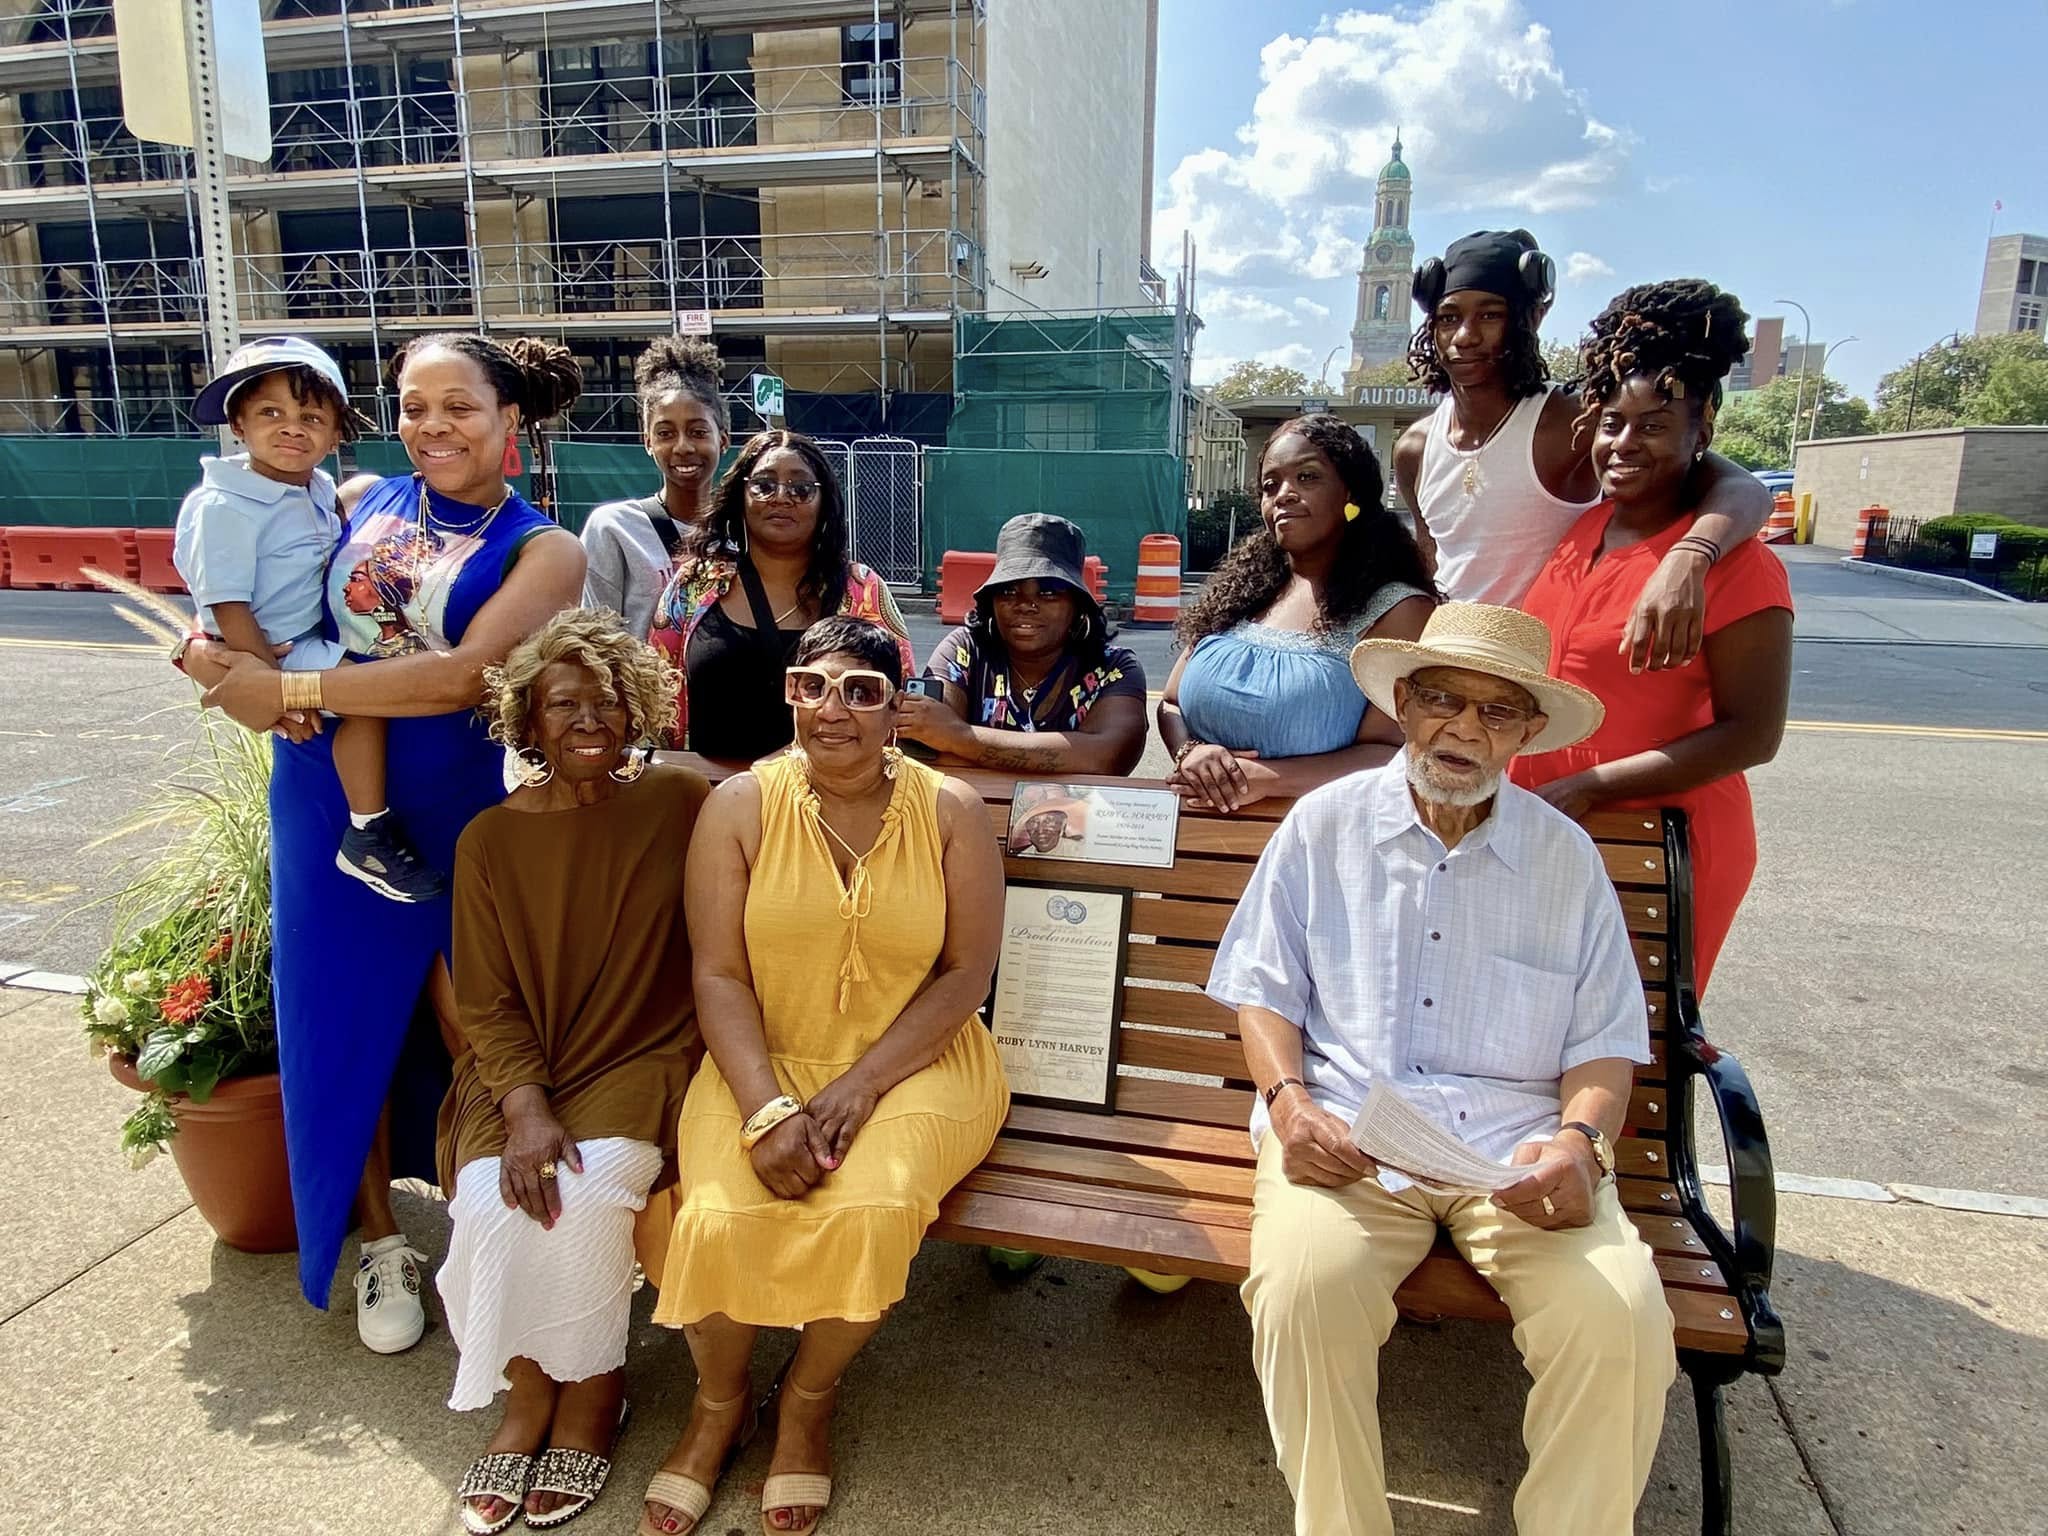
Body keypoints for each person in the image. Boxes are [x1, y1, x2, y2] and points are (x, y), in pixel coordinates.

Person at [1208, 600, 1675, 1536]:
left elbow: (1604, 1043)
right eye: (1441, 700)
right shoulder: (1324, 824)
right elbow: (1260, 988)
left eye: (1496, 711)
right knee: (1305, 1291)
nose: (1462, 729)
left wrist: (1581, 1142)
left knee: (1620, 1319)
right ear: (1404, 703)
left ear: (1528, 731)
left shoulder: (1565, 857)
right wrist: (1289, 1104)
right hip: (1348, 1139)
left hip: (1515, 1156)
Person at [180, 331, 587, 1354]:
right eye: (413, 406)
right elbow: (250, 603)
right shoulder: (355, 495)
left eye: (458, 407)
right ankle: (378, 1244)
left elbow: (464, 676)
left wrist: (292, 690)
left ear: (509, 422)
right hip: (322, 793)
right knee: (342, 1021)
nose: (433, 427)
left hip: (450, 809)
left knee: (477, 1026)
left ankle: (491, 1226)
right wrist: (212, 660)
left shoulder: (546, 547)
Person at [640, 617, 1009, 1536]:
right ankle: (719, 1405)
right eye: (812, 685)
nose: (832, 709)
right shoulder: (740, 806)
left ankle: (807, 1400)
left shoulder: (952, 811)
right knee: (715, 1214)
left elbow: (966, 976)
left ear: (897, 712)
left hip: (918, 1061)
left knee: (873, 1208)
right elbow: (717, 974)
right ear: (789, 694)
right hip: (761, 1052)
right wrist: (766, 1107)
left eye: (863, 691)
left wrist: (862, 1086)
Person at [439, 610, 708, 1534]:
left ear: (636, 712)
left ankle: (594, 1397)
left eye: (605, 703)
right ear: (530, 723)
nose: (587, 721)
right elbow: (485, 1001)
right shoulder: (489, 841)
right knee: (490, 1201)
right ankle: (525, 1401)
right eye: (563, 706)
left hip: (641, 1053)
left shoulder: (677, 802)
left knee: (587, 1199)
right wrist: (524, 1110)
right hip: (521, 1072)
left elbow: (782, 792)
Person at [1513, 280, 1794, 992]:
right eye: (1612, 422)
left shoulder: (1738, 564)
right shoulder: (1583, 530)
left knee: (1631, 1055)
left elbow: (1752, 734)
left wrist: (1589, 786)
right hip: (1551, 833)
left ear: (1702, 433)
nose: (1624, 443)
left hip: (1662, 845)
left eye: (1654, 425)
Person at [1391, 229, 1769, 668]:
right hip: (1452, 667)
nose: (1465, 336)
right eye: (1448, 318)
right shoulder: (1415, 447)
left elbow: (1744, 489)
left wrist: (1689, 558)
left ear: (1531, 317)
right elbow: (1431, 564)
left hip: (1545, 674)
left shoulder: (1572, 418)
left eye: (1490, 316)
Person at [172, 337, 439, 902]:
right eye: (271, 413)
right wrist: (270, 688)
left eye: (312, 417)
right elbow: (228, 605)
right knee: (368, 696)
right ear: (237, 424)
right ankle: (369, 829)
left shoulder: (318, 488)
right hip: (273, 644)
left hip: (306, 634)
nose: (292, 428)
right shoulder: (224, 505)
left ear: (336, 433)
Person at [1159, 413, 1434, 814]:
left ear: (1350, 495)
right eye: (1271, 486)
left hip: (1318, 845)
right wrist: (1190, 750)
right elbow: (1170, 703)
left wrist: (1268, 778)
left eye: (1308, 477)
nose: (1284, 494)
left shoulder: (1398, 611)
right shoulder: (1240, 595)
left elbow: (1393, 753)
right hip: (1196, 844)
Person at [649, 430, 914, 757]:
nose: (781, 497)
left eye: (801, 489)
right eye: (763, 485)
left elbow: (899, 701)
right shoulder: (693, 584)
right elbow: (654, 694)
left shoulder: (863, 591)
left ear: (823, 504)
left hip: (826, 798)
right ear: (740, 496)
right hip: (708, 794)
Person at [897, 513, 1147, 774]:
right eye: (1008, 591)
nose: (1026, 605)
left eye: (1048, 592)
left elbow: (1106, 758)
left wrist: (960, 736)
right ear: (991, 603)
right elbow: (925, 749)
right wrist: (1065, 757)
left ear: (1077, 604)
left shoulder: (1114, 667)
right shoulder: (965, 649)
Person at [580, 337, 731, 641]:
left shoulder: (743, 534)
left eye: (698, 432)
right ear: (648, 442)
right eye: (665, 433)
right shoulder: (614, 529)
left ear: (723, 440)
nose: (683, 447)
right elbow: (593, 642)